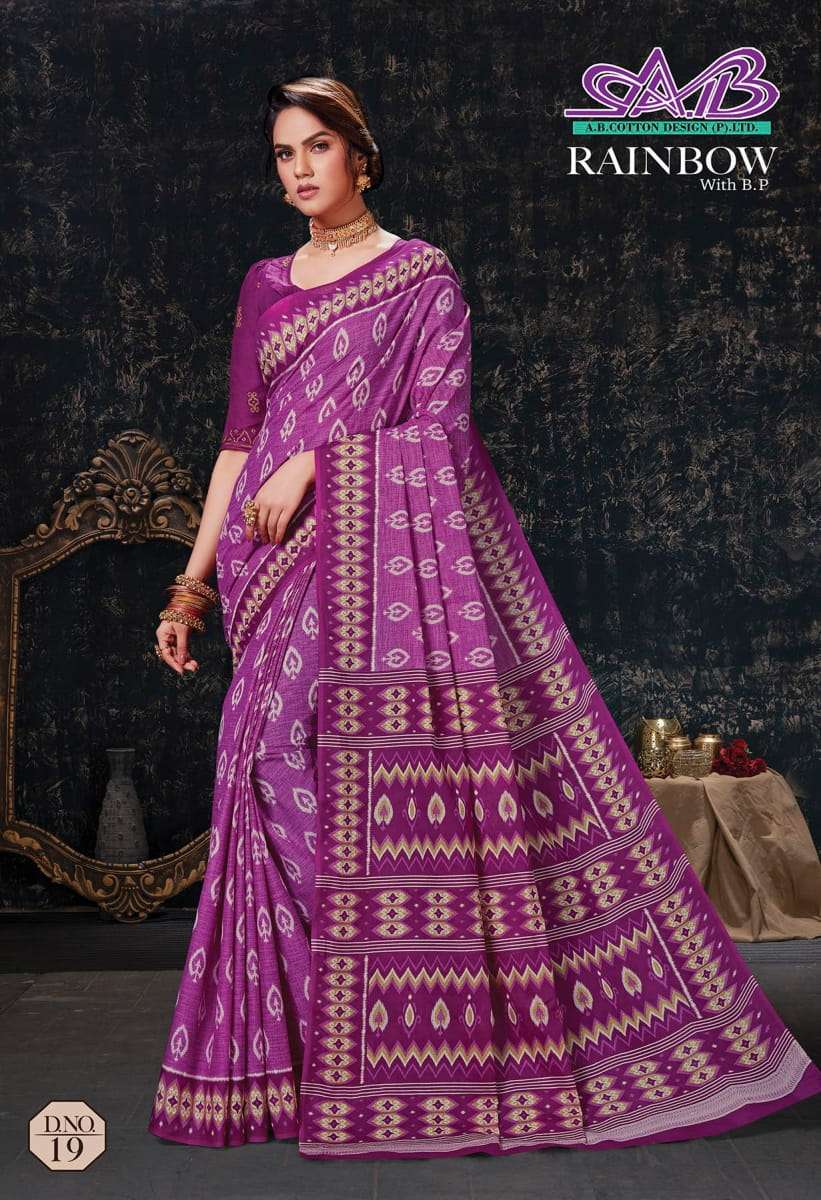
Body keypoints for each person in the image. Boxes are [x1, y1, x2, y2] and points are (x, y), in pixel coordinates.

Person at [147, 76, 821, 1159]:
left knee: (305, 764)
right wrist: (191, 585)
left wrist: (320, 461)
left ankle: (401, 1018)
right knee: (264, 768)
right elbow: (236, 442)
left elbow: (443, 433)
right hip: (263, 566)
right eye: (282, 154)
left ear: (361, 156)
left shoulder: (420, 277)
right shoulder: (265, 284)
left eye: (317, 147)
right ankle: (332, 1037)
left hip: (357, 549)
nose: (300, 169)